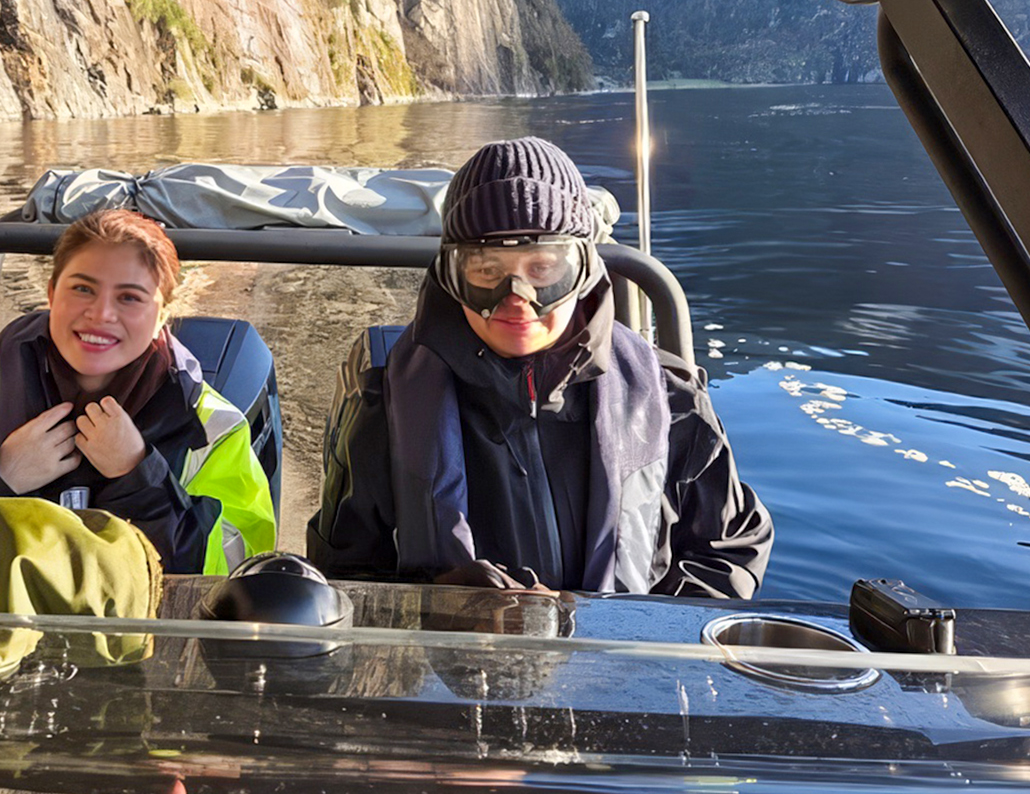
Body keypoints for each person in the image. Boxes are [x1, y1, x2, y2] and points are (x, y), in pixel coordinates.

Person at [307, 137, 772, 596]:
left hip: (620, 667)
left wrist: (645, 635)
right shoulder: (383, 407)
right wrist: (437, 605)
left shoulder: (673, 402)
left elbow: (730, 548)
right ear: (451, 278)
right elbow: (345, 574)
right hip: (456, 667)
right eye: (487, 271)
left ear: (583, 270)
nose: (517, 298)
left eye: (544, 269)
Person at [0, 209, 276, 575]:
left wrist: (139, 478)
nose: (101, 314)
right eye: (82, 288)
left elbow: (236, 576)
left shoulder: (213, 429)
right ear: (52, 293)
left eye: (129, 297)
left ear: (162, 314)